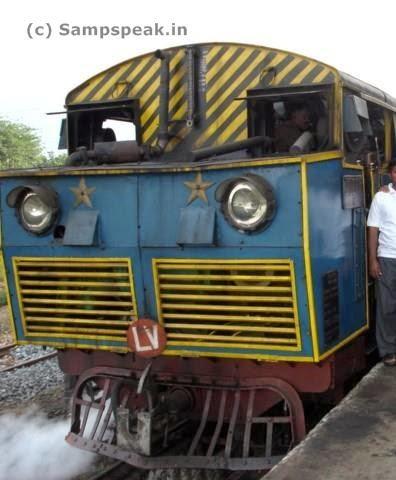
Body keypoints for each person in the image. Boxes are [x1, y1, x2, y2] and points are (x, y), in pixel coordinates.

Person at [367, 160, 396, 366]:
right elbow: (373, 229)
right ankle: (388, 351)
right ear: (390, 174)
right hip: (387, 258)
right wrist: (372, 260)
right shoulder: (381, 197)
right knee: (387, 307)